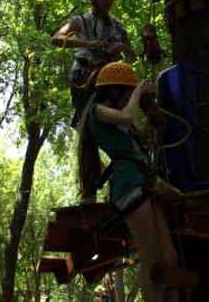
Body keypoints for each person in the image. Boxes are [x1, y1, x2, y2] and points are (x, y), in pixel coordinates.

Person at [77, 62, 182, 302]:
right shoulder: (98, 111)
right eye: (127, 91)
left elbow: (143, 138)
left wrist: (152, 114)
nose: (129, 97)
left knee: (170, 256)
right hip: (129, 185)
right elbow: (126, 116)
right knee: (150, 257)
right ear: (114, 91)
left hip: (145, 181)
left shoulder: (122, 119)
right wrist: (138, 92)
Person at [51, 0, 136, 128]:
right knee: (88, 125)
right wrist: (87, 43)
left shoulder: (119, 27)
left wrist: (122, 47)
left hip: (111, 80)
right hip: (84, 76)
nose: (108, 1)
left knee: (115, 125)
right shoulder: (80, 21)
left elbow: (132, 56)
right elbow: (56, 39)